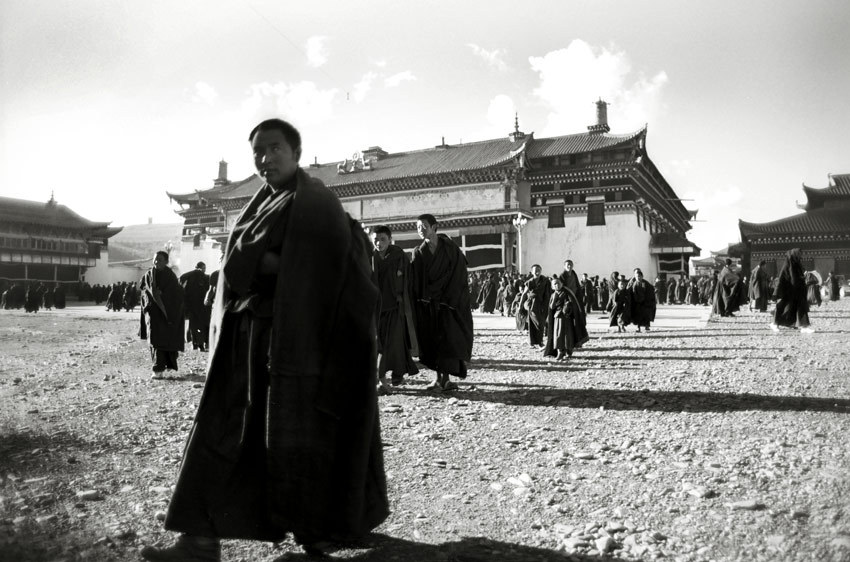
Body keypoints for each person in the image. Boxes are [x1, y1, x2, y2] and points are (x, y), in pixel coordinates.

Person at [141, 119, 388, 561]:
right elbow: (245, 262)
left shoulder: (316, 203)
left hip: (300, 343)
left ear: (295, 152)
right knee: (220, 429)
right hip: (248, 337)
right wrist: (261, 259)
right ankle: (199, 538)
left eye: (274, 148)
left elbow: (328, 267)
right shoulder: (261, 203)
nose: (265, 158)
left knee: (298, 435)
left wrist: (262, 260)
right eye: (257, 151)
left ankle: (315, 534)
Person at [410, 214, 473, 393]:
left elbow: (459, 272)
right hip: (429, 304)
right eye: (418, 227)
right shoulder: (418, 252)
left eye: (423, 226)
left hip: (448, 303)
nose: (420, 230)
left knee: (448, 340)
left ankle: (446, 378)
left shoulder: (450, 248)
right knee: (432, 341)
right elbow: (416, 279)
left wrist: (452, 298)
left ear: (434, 227)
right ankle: (438, 379)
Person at [371, 225, 419, 393]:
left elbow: (409, 279)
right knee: (379, 345)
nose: (379, 242)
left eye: (383, 239)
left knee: (394, 343)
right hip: (375, 310)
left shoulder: (399, 255)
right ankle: (382, 379)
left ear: (390, 239)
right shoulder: (370, 257)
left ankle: (390, 376)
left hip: (395, 307)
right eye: (375, 239)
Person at [139, 251, 185, 377]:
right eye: (155, 259)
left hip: (168, 313)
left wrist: (163, 296)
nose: (156, 262)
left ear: (166, 262)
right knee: (155, 340)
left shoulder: (171, 276)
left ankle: (167, 365)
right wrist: (151, 296)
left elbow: (176, 293)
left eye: (159, 259)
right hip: (154, 314)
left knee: (167, 339)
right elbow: (143, 289)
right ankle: (158, 369)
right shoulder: (148, 275)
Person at [771, 248, 814, 333]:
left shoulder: (797, 265)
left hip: (798, 291)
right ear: (794, 255)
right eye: (799, 254)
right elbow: (782, 278)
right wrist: (776, 292)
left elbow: (798, 277)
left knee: (801, 308)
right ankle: (775, 324)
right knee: (783, 308)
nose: (800, 256)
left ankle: (804, 327)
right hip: (788, 292)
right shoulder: (787, 265)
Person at [180, 262, 211, 351]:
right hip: (201, 307)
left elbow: (181, 280)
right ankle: (200, 344)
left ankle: (196, 344)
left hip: (195, 307)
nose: (203, 270)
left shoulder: (195, 277)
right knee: (201, 325)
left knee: (194, 326)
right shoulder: (202, 277)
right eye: (203, 268)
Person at [523, 264, 550, 348]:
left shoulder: (545, 281)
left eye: (539, 269)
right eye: (535, 270)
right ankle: (538, 342)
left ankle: (535, 341)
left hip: (543, 305)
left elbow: (549, 293)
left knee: (541, 323)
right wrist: (521, 306)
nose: (537, 271)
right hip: (532, 305)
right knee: (538, 323)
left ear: (541, 271)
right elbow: (524, 294)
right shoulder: (529, 282)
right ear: (532, 272)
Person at [629, 268, 655, 332]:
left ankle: (647, 326)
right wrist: (637, 299)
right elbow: (633, 292)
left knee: (646, 315)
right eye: (637, 276)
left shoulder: (644, 283)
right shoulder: (634, 283)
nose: (638, 278)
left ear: (642, 276)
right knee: (638, 315)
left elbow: (648, 290)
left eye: (640, 276)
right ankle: (638, 327)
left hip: (645, 302)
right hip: (637, 302)